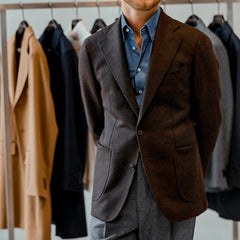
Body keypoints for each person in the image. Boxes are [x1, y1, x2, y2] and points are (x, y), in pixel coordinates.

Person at [79, 0, 222, 239]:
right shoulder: (93, 47)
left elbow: (209, 122)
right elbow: (97, 124)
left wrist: (184, 167)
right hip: (114, 192)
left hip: (174, 193)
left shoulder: (195, 43)